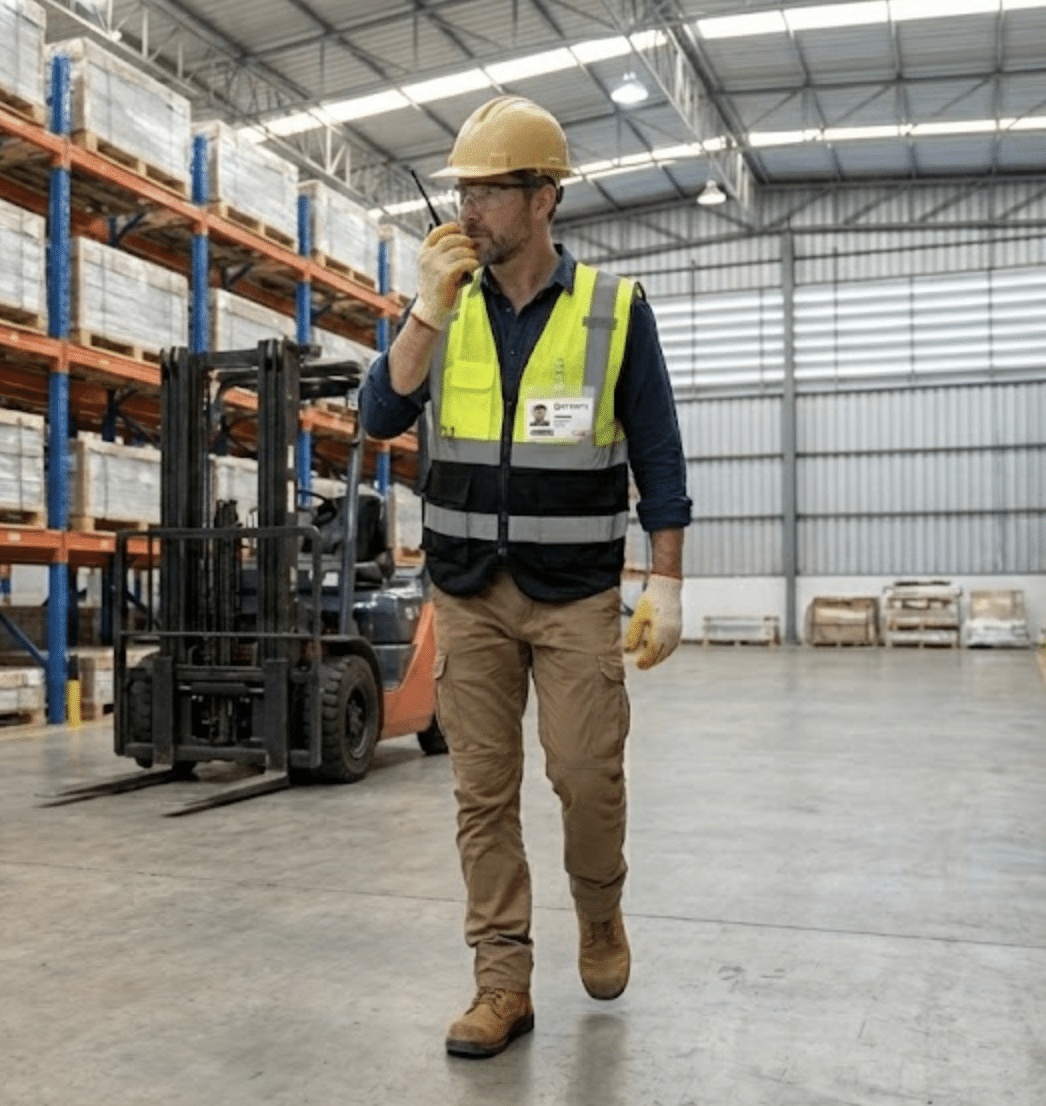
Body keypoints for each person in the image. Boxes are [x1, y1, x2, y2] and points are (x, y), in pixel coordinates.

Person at [360, 95, 692, 1059]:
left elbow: (659, 456)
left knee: (587, 776)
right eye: (462, 189)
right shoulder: (444, 303)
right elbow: (380, 414)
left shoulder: (613, 311)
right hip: (466, 590)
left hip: (576, 591)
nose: (468, 209)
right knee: (482, 792)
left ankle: (599, 910)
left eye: (490, 191)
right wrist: (424, 311)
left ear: (543, 198)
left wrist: (666, 581)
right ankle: (501, 981)